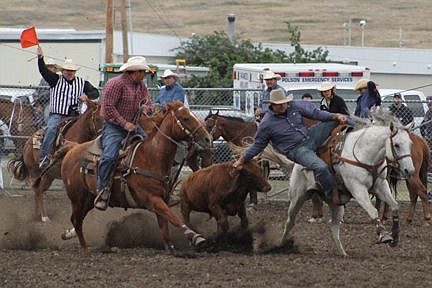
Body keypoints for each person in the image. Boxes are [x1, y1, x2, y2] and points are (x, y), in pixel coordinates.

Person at [234, 89, 348, 203]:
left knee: (342, 119)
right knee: (321, 167)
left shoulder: (293, 105)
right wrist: (242, 160)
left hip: (310, 136)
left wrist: (335, 115)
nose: (284, 105)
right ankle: (331, 195)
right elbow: (257, 145)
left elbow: (316, 114)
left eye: (284, 102)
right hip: (296, 149)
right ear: (272, 105)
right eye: (280, 104)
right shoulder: (267, 124)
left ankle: (362, 128)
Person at [94, 56, 153, 211]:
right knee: (109, 156)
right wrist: (124, 123)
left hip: (134, 126)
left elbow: (148, 101)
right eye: (142, 71)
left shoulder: (141, 86)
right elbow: (107, 108)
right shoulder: (115, 84)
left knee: (152, 149)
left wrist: (147, 109)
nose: (144, 74)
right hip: (114, 127)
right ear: (134, 71)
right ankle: (102, 190)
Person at [37, 46, 99, 169]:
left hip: (75, 116)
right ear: (62, 71)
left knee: (90, 129)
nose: (68, 72)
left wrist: (86, 96)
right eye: (66, 70)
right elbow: (44, 71)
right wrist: (40, 58)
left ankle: (92, 158)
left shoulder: (82, 83)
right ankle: (43, 158)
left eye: (71, 70)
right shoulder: (55, 79)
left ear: (75, 72)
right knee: (51, 129)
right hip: (57, 115)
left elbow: (95, 93)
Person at [32, 58, 59, 126]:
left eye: (51, 66)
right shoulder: (43, 80)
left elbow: (52, 93)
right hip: (41, 102)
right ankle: (38, 126)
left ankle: (46, 128)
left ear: (55, 69)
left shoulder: (57, 79)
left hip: (51, 103)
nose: (49, 68)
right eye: (47, 67)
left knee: (47, 114)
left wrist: (40, 98)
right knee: (32, 111)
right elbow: (37, 91)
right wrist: (37, 101)